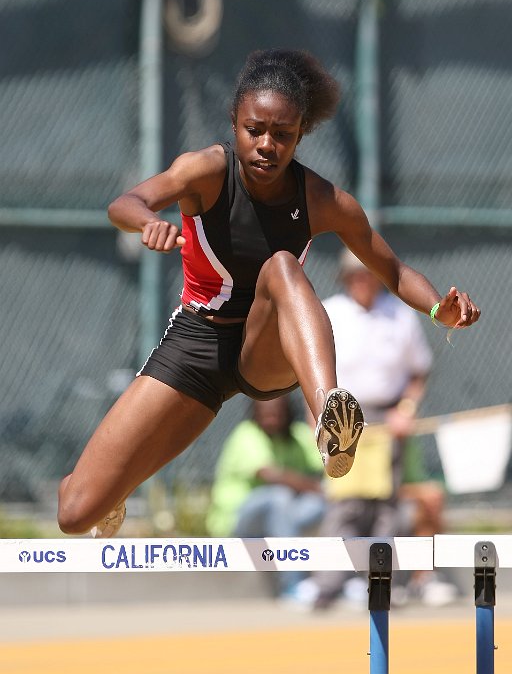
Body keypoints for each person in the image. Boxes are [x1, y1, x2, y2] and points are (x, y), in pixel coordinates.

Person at [56, 48, 480, 539]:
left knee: (281, 266)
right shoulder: (205, 171)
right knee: (75, 513)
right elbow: (125, 202)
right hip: (197, 345)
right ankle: (106, 494)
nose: (266, 145)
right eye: (254, 130)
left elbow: (392, 269)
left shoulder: (321, 199)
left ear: (300, 135)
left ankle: (330, 417)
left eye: (282, 135)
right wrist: (149, 223)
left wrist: (437, 309)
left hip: (267, 347)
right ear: (234, 123)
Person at [310, 250, 456, 609]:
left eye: (368, 274)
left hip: (389, 419)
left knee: (385, 507)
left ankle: (374, 583)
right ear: (345, 278)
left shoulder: (400, 316)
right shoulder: (329, 312)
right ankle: (328, 585)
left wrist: (406, 409)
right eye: (356, 275)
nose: (363, 280)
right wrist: (323, 419)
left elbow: (419, 371)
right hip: (341, 417)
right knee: (344, 503)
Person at [206, 395, 325, 599]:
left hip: (282, 515)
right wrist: (316, 486)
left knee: (327, 503)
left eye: (277, 414)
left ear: (287, 413)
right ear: (256, 414)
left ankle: (341, 581)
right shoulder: (246, 435)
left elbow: (324, 465)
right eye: (266, 414)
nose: (272, 419)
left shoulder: (295, 435)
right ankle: (292, 585)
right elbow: (271, 475)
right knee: (279, 497)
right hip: (236, 519)